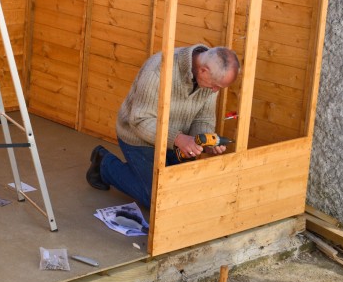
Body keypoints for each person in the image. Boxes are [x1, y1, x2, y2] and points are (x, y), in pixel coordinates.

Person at [86, 44, 239, 210]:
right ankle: (105, 165)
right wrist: (178, 139)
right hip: (139, 137)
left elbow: (204, 117)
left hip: (177, 142)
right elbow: (140, 121)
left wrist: (204, 140)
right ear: (203, 70)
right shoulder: (158, 70)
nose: (216, 90)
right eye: (215, 85)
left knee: (182, 195)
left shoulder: (210, 78)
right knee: (156, 198)